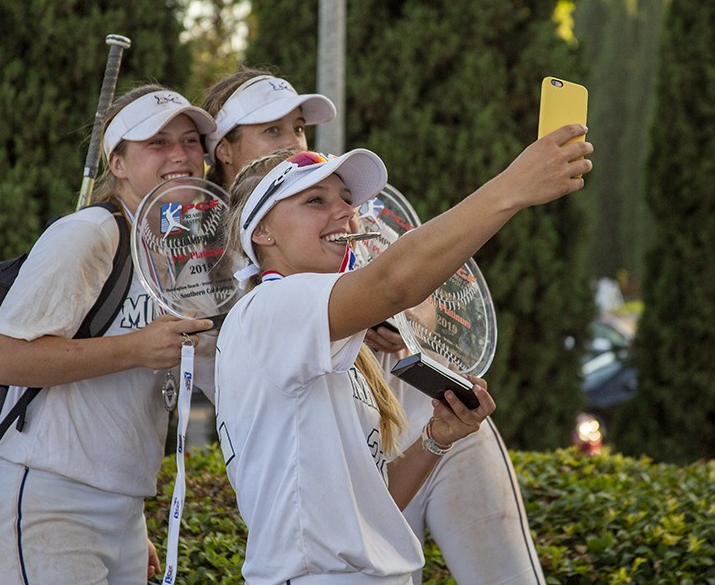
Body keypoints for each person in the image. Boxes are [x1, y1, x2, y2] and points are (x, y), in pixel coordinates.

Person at [205, 69, 549, 584]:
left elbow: (373, 506)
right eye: (314, 200)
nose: (345, 212)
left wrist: (437, 435)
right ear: (263, 234)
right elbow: (394, 284)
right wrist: (511, 190)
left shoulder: (311, 325)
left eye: (344, 198)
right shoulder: (270, 307)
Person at [0, 85, 217, 585]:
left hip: (124, 510)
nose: (181, 156)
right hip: (48, 503)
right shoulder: (89, 233)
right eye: (157, 143)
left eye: (190, 142)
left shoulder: (184, 255)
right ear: (118, 163)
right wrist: (136, 348)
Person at [201, 68, 334, 190]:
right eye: (272, 130)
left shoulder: (335, 210)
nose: (296, 144)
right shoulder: (185, 214)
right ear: (225, 151)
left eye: (298, 129)